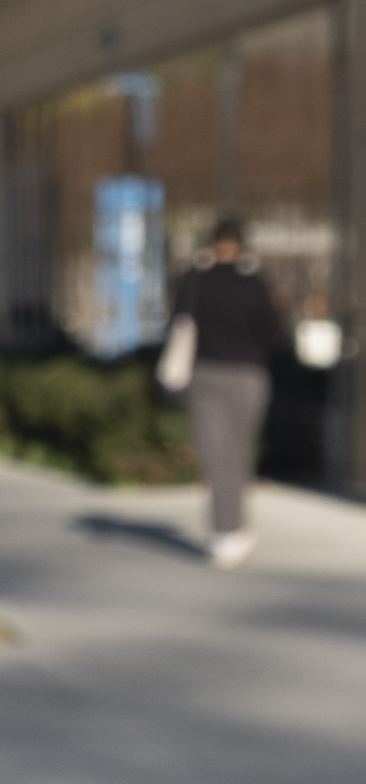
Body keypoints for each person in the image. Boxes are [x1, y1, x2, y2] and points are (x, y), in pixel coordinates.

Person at [172, 217, 279, 568]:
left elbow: (177, 323)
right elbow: (271, 330)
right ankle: (236, 528)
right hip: (249, 376)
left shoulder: (195, 281)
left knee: (217, 456)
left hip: (205, 374)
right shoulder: (255, 285)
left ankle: (226, 534)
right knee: (239, 452)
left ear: (212, 244)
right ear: (242, 246)